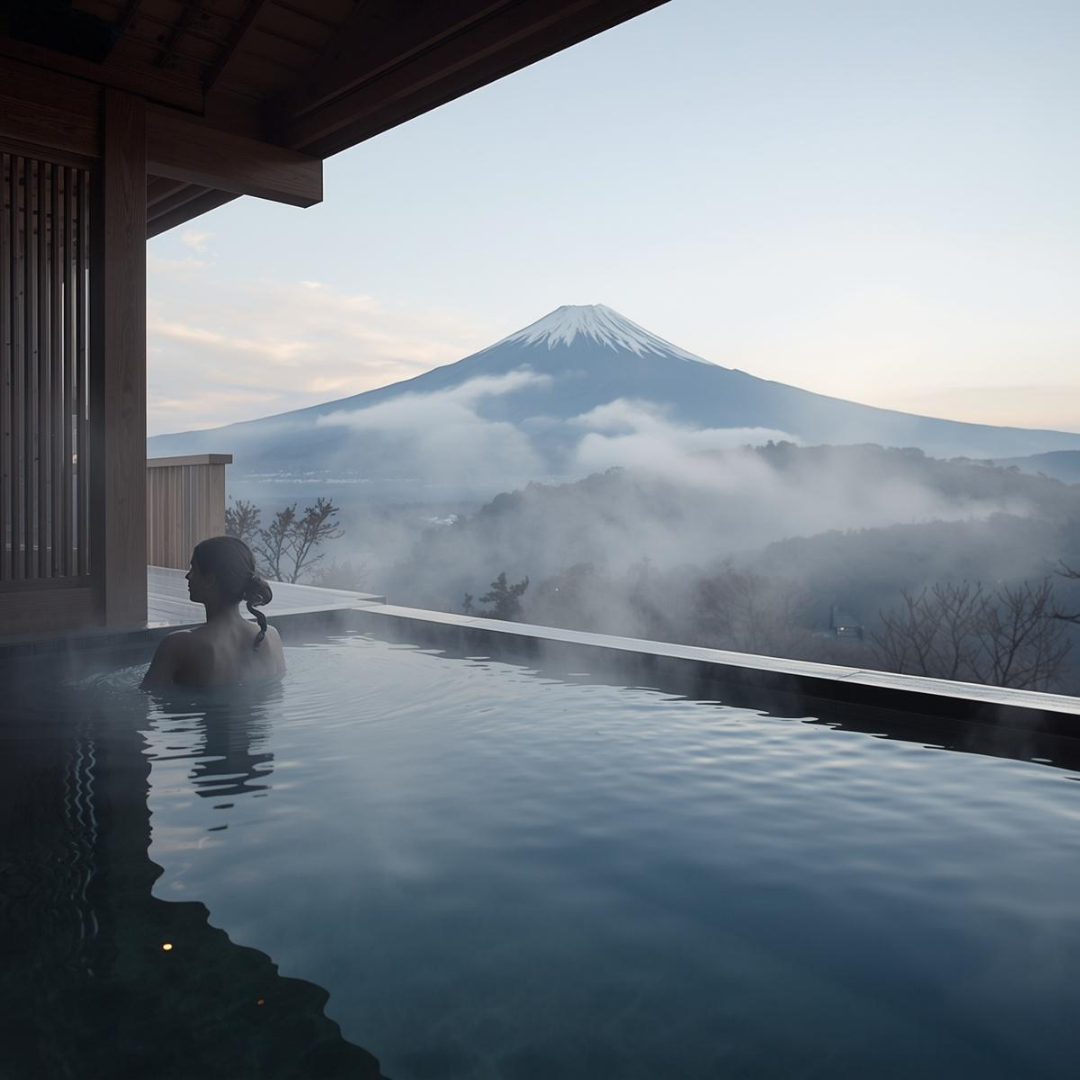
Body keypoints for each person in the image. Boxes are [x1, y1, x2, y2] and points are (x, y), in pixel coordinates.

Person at [142, 536, 286, 688]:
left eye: (193, 569)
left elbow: (146, 698)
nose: (187, 576)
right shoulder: (271, 637)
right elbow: (276, 693)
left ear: (209, 580)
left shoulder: (178, 644)